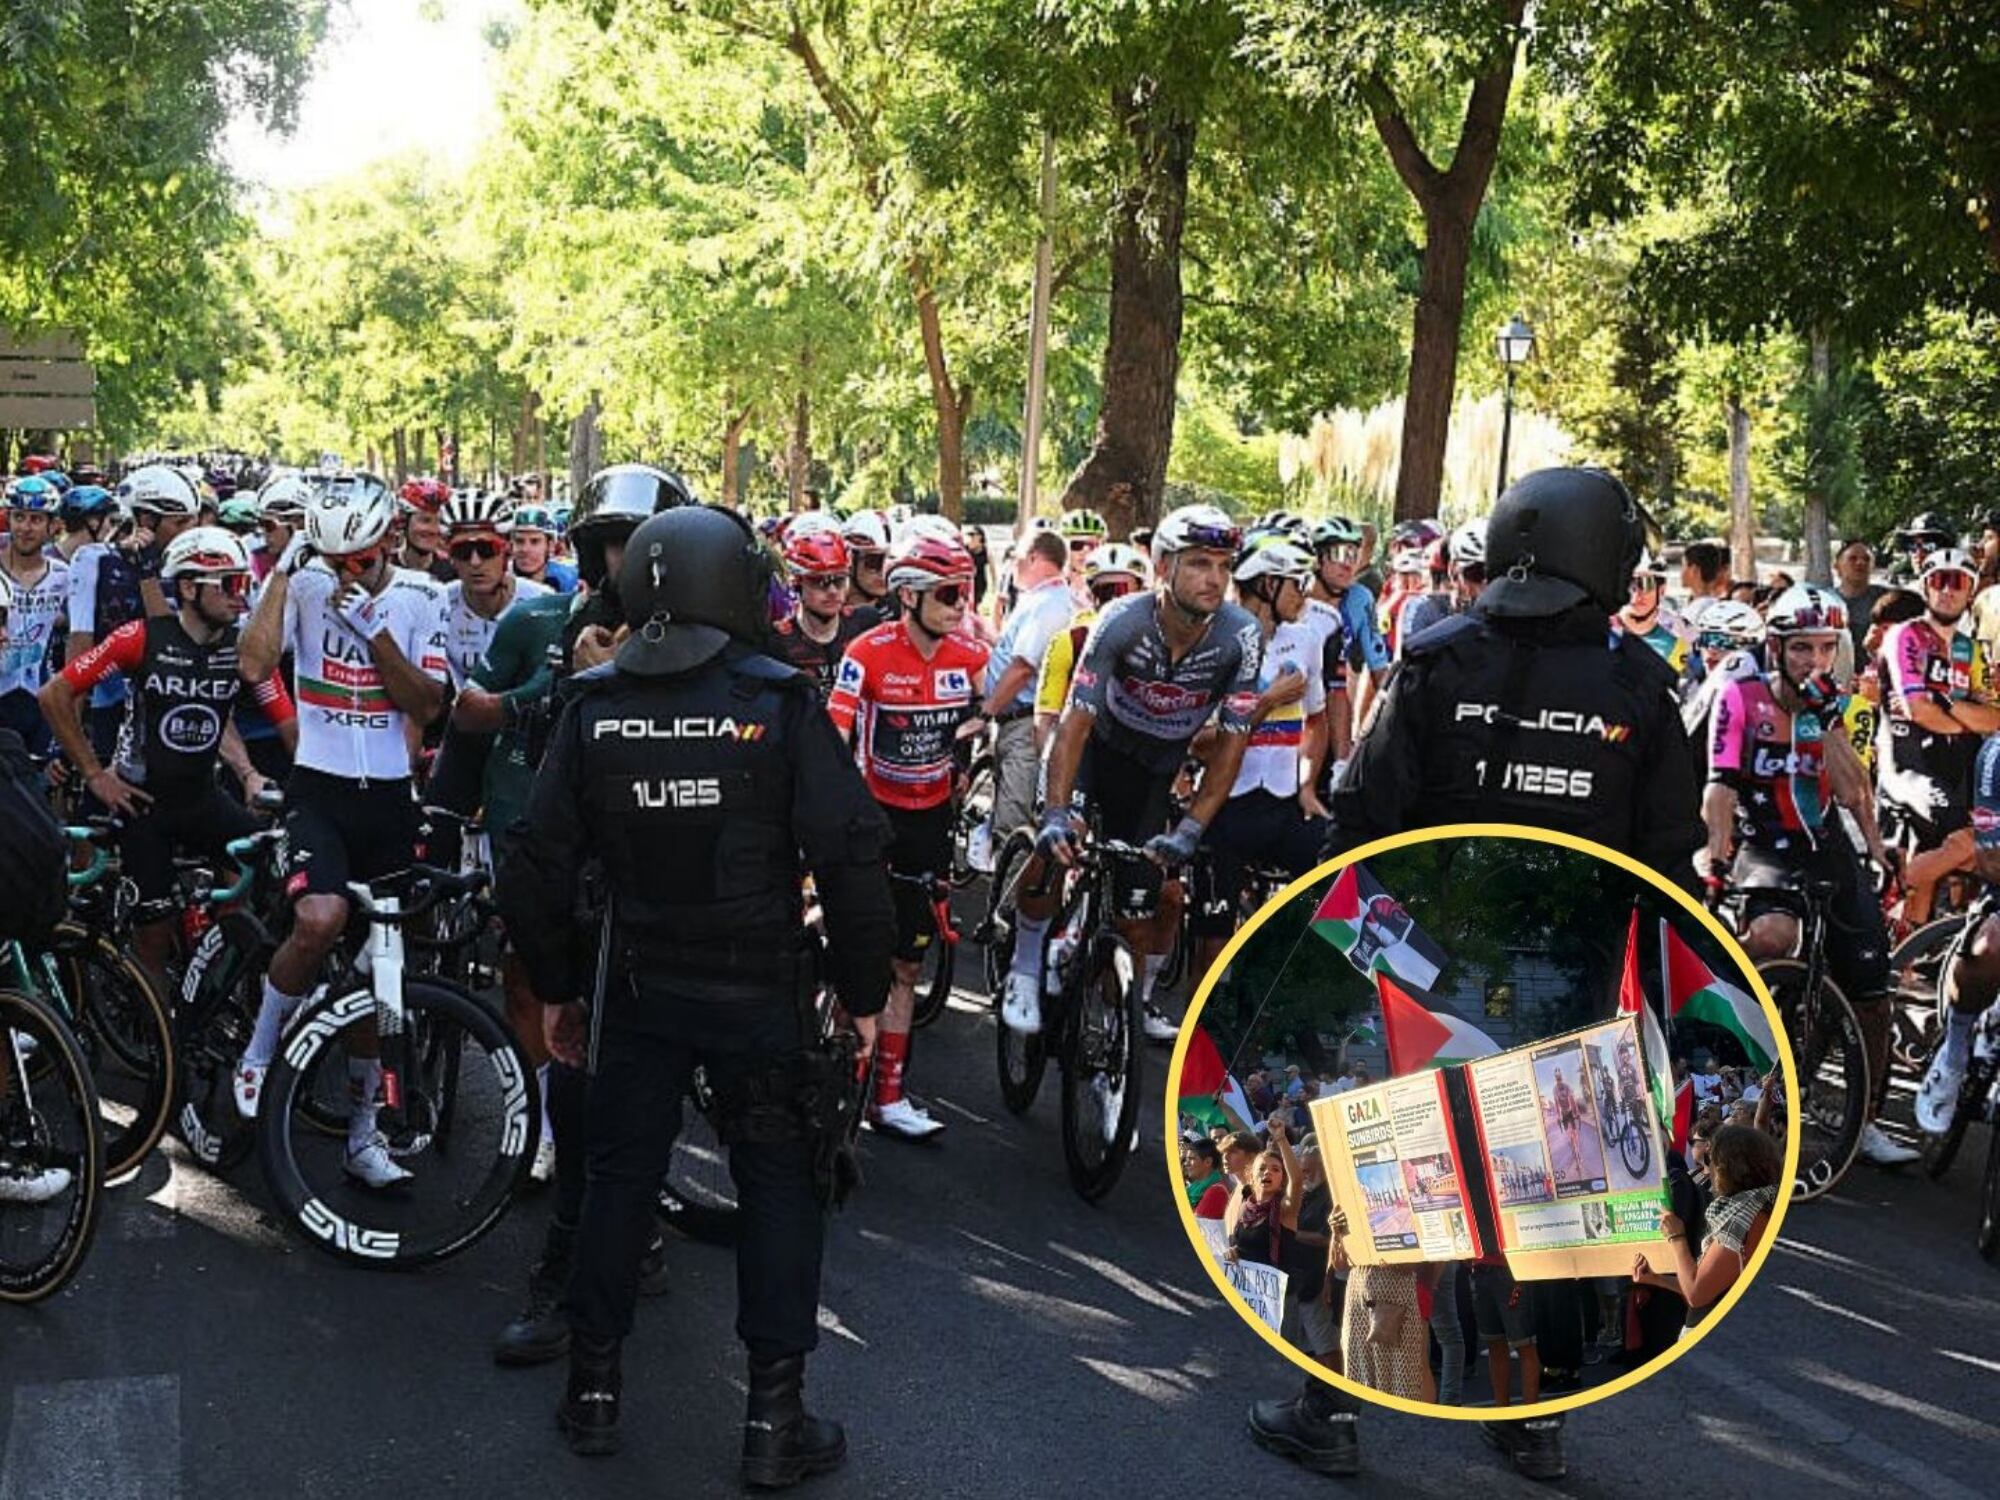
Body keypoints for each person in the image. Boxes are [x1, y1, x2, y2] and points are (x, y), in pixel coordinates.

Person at [497, 504, 894, 1486]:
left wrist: (555, 987)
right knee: (778, 1189)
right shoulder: (776, 701)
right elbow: (849, 853)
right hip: (756, 991)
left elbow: (534, 864)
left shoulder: (592, 706)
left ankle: (592, 1392)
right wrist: (860, 988)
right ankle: (772, 1421)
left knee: (616, 1185)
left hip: (636, 989)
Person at [453, 462, 688, 1363]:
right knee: (583, 1077)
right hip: (581, 885)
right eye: (615, 547)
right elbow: (513, 751)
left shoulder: (717, 647)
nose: (629, 564)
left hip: (682, 897)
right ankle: (568, 1274)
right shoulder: (550, 627)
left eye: (647, 548)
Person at [231, 474, 451, 1190]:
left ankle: (363, 1136)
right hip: (319, 788)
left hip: (388, 797)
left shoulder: (423, 596)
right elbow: (254, 664)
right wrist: (288, 574)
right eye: (332, 559)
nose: (342, 573)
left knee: (375, 974)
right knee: (319, 919)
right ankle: (260, 1052)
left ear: (386, 542)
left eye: (355, 559)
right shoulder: (306, 581)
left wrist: (374, 631)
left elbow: (430, 703)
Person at [1327, 467, 1703, 874]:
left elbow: (1358, 822)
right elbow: (1671, 859)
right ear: (1603, 556)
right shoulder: (1637, 688)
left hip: (1437, 932)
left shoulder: (1434, 665)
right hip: (1546, 934)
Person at [1001, 505, 1260, 1049]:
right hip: (1096, 753)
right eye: (1198, 564)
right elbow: (1074, 725)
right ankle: (1024, 965)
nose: (1214, 579)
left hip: (1154, 772)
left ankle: (1111, 1031)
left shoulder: (1241, 638)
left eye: (1222, 565)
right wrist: (1054, 813)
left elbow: (1233, 746)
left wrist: (1191, 828)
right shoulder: (1121, 620)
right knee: (1056, 849)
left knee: (1138, 912)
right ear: (1163, 567)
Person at [1701, 582, 1915, 1168]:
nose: (1814, 662)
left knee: (1872, 987)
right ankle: (1718, 1034)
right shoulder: (1740, 697)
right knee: (1773, 937)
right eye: (1802, 649)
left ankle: (1865, 1120)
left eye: (1825, 649)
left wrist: (1831, 724)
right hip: (1762, 840)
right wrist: (1717, 860)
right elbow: (1719, 787)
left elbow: (1853, 793)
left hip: (1825, 847)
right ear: (1777, 649)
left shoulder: (1838, 706)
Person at [38, 528, 295, 994]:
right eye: (229, 585)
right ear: (189, 587)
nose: (242, 596)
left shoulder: (240, 650)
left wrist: (263, 777)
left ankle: (219, 964)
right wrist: (95, 774)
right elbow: (55, 694)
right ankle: (164, 1045)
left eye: (244, 583)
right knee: (152, 940)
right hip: (142, 808)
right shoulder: (139, 639)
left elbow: (289, 727)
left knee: (268, 868)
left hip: (203, 798)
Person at [827, 532, 988, 1139]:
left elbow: (1007, 696)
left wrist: (982, 727)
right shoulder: (867, 652)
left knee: (905, 965)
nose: (959, 604)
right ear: (909, 596)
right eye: (948, 593)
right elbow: (834, 728)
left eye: (965, 593)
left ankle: (887, 1097)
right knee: (859, 955)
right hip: (873, 819)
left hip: (929, 822)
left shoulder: (967, 655)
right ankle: (842, 1077)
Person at [1877, 549, 2000, 927]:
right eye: (1938, 581)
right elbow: (1919, 711)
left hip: (1959, 768)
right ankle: (1881, 892)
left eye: (1957, 582)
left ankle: (1904, 957)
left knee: (1939, 853)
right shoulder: (1905, 636)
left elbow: (1994, 718)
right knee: (1968, 843)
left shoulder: (1970, 648)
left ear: (1970, 590)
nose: (1947, 591)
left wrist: (1947, 708)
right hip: (1908, 764)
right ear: (1924, 587)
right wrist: (1963, 714)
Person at [1631, 1124, 1779, 1335]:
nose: (1707, 1168)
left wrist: (1677, 1237)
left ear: (1727, 1166)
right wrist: (1656, 1279)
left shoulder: (1741, 1218)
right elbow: (1709, 1283)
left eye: (1710, 1159)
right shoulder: (1752, 1205)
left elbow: (1697, 1293)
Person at [980, 527, 1073, 845]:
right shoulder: (1042, 599)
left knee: (1013, 826)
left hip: (1023, 721)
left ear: (1033, 557)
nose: (1012, 565)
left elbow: (1022, 668)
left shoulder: (1050, 604)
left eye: (1016, 557)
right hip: (1015, 719)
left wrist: (986, 711)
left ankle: (1009, 894)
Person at [439, 489, 549, 690]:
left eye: (486, 549)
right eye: (462, 551)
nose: (475, 562)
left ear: (507, 550)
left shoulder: (542, 600)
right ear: (450, 557)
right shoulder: (438, 604)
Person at [0, 476, 70, 757]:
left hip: (41, 698)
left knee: (42, 788)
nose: (25, 528)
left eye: (35, 519)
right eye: (18, 517)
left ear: (52, 526)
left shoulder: (64, 575)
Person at [772, 524, 877, 699]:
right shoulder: (778, 640)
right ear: (797, 584)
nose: (832, 591)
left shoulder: (865, 623)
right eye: (819, 581)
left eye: (839, 580)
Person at [1617, 552, 1690, 674]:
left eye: (1646, 584)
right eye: (1629, 584)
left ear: (1661, 590)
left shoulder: (1678, 645)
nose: (1636, 594)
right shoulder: (1600, 632)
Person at [394, 478, 457, 583]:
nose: (433, 529)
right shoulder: (384, 570)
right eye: (425, 520)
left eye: (440, 521)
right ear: (404, 521)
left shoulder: (452, 572)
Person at [1835, 538, 1886, 664]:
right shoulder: (1826, 601)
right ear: (1837, 566)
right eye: (1852, 558)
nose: (1860, 563)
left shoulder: (1887, 600)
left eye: (1866, 559)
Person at [511, 504, 579, 593]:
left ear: (551, 546)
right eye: (519, 541)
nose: (525, 549)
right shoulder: (500, 578)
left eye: (535, 542)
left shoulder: (570, 579)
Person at [1677, 541, 1730, 630]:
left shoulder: (1695, 612)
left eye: (1683, 566)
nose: (1681, 572)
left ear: (1694, 570)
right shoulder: (1719, 606)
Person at [1183, 1136, 1231, 1218]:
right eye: (1186, 1159)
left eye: (1191, 1159)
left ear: (1208, 1162)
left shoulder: (1216, 1191)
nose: (1186, 1164)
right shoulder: (1193, 1188)